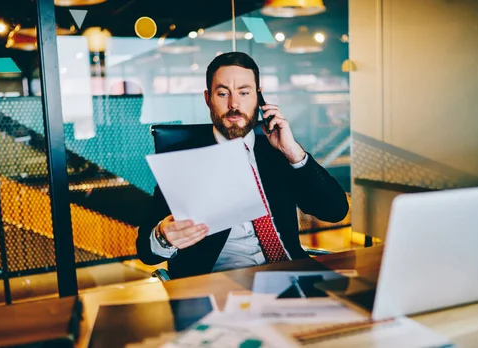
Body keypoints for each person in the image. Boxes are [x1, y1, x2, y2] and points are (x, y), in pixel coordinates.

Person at [136, 52, 349, 279]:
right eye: (222, 93)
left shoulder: (277, 150)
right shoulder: (184, 158)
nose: (234, 104)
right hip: (222, 285)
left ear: (259, 98)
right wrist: (164, 237)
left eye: (244, 93)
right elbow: (147, 252)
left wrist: (294, 153)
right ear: (208, 98)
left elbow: (335, 211)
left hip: (291, 273)